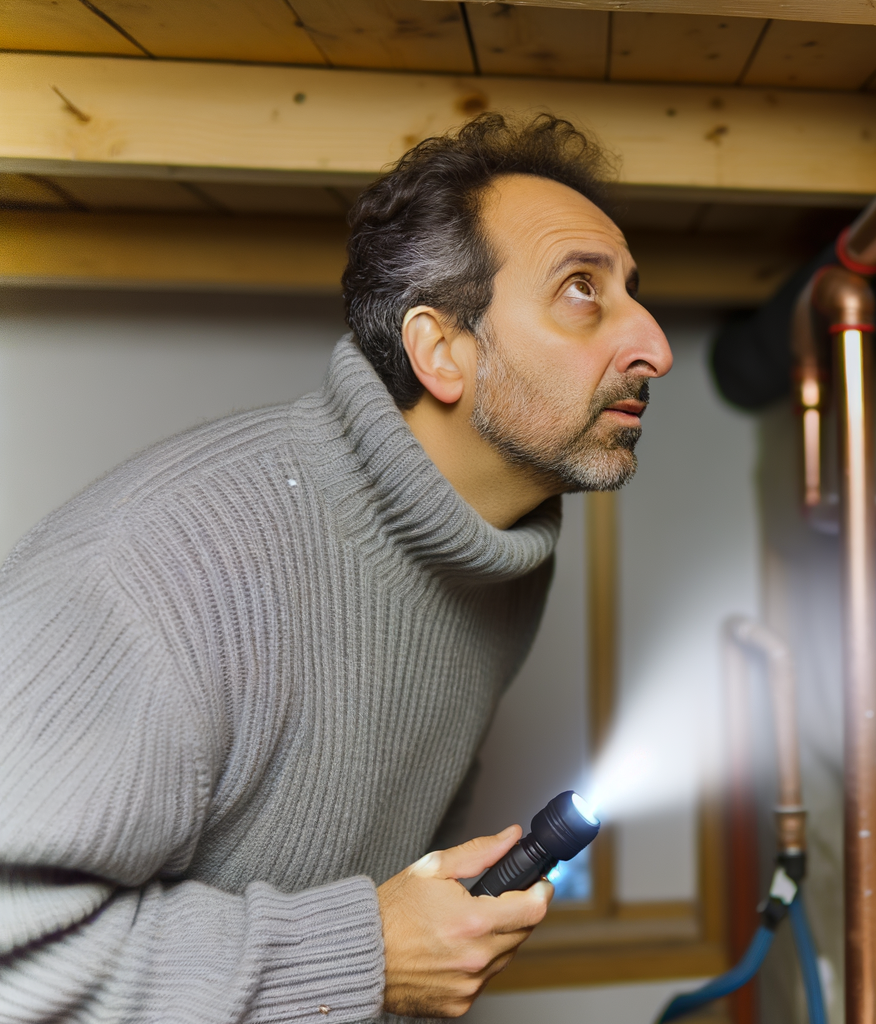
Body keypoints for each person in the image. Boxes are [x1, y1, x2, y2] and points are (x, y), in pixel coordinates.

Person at [0, 113, 672, 1021]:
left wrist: (413, 942)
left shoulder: (504, 556)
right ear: (442, 352)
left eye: (634, 291)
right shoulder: (157, 572)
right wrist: (366, 956)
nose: (655, 349)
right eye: (582, 289)